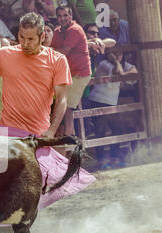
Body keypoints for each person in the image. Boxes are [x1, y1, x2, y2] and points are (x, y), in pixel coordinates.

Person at [0, 12, 72, 138]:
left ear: (42, 37)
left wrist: (52, 131)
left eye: (30, 39)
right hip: (8, 134)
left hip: (39, 134)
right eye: (22, 37)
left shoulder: (58, 60)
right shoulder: (5, 54)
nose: (25, 44)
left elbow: (62, 99)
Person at [88, 51, 138, 168]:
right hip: (98, 100)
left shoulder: (122, 65)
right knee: (100, 131)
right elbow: (119, 73)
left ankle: (114, 159)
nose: (118, 56)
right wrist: (116, 62)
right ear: (110, 56)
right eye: (116, 54)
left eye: (120, 54)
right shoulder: (104, 64)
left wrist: (124, 69)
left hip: (111, 102)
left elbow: (135, 72)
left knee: (117, 129)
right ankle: (101, 161)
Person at [51, 5, 91, 136]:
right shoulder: (57, 32)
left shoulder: (75, 29)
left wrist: (42, 50)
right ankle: (68, 137)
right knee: (61, 106)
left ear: (71, 16)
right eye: (59, 16)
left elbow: (63, 51)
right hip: (67, 74)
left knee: (67, 108)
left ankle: (68, 138)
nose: (62, 18)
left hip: (79, 74)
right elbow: (54, 50)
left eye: (65, 15)